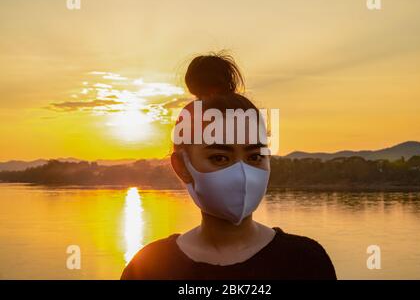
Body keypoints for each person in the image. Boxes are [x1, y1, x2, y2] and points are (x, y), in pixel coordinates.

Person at [121, 52, 337, 280]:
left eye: (254, 156)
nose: (242, 172)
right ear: (182, 166)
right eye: (220, 158)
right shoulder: (148, 269)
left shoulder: (304, 262)